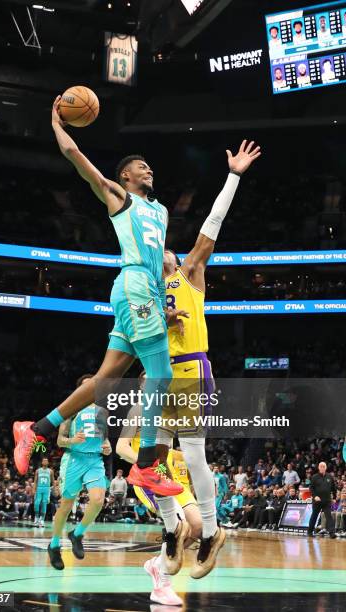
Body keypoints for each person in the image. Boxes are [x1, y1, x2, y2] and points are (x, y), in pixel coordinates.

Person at [13, 97, 186, 499]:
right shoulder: (119, 199)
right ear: (125, 176)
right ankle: (145, 465)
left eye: (149, 166)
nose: (150, 170)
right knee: (161, 374)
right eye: (141, 167)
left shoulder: (159, 211)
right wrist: (57, 122)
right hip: (133, 285)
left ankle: (35, 430)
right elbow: (74, 155)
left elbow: (157, 267)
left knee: (106, 380)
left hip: (145, 292)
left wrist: (163, 307)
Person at [157, 140, 260, 580]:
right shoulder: (146, 291)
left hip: (190, 370)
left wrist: (233, 175)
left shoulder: (190, 273)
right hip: (158, 373)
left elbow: (212, 224)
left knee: (194, 456)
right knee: (148, 460)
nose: (164, 251)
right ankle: (171, 527)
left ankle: (212, 531)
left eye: (168, 249)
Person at [117, 396, 201, 607]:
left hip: (167, 475)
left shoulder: (170, 411)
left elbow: (165, 454)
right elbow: (121, 447)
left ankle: (157, 563)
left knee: (199, 527)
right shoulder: (137, 409)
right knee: (178, 526)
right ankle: (162, 584)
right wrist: (146, 463)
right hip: (146, 478)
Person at [47, 396, 112, 570]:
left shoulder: (102, 412)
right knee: (66, 506)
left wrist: (108, 447)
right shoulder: (72, 410)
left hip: (95, 461)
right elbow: (60, 440)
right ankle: (54, 545)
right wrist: (72, 440)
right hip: (74, 460)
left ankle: (77, 534)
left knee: (98, 500)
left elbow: (105, 440)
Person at [308, 462, 337, 539]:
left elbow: (334, 488)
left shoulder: (330, 477)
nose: (322, 468)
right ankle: (310, 531)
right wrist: (315, 496)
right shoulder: (315, 477)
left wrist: (334, 497)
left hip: (327, 501)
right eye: (321, 466)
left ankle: (332, 533)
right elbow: (311, 488)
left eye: (323, 466)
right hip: (317, 501)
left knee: (329, 516)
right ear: (318, 468)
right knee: (314, 516)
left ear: (326, 467)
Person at [33, 457, 54, 527]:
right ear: (42, 462)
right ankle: (36, 517)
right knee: (37, 503)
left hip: (46, 489)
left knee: (44, 503)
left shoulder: (51, 471)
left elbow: (53, 482)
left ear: (48, 463)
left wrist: (54, 489)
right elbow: (35, 481)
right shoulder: (37, 471)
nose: (45, 462)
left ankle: (42, 519)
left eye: (46, 461)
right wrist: (34, 489)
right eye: (44, 461)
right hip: (39, 488)